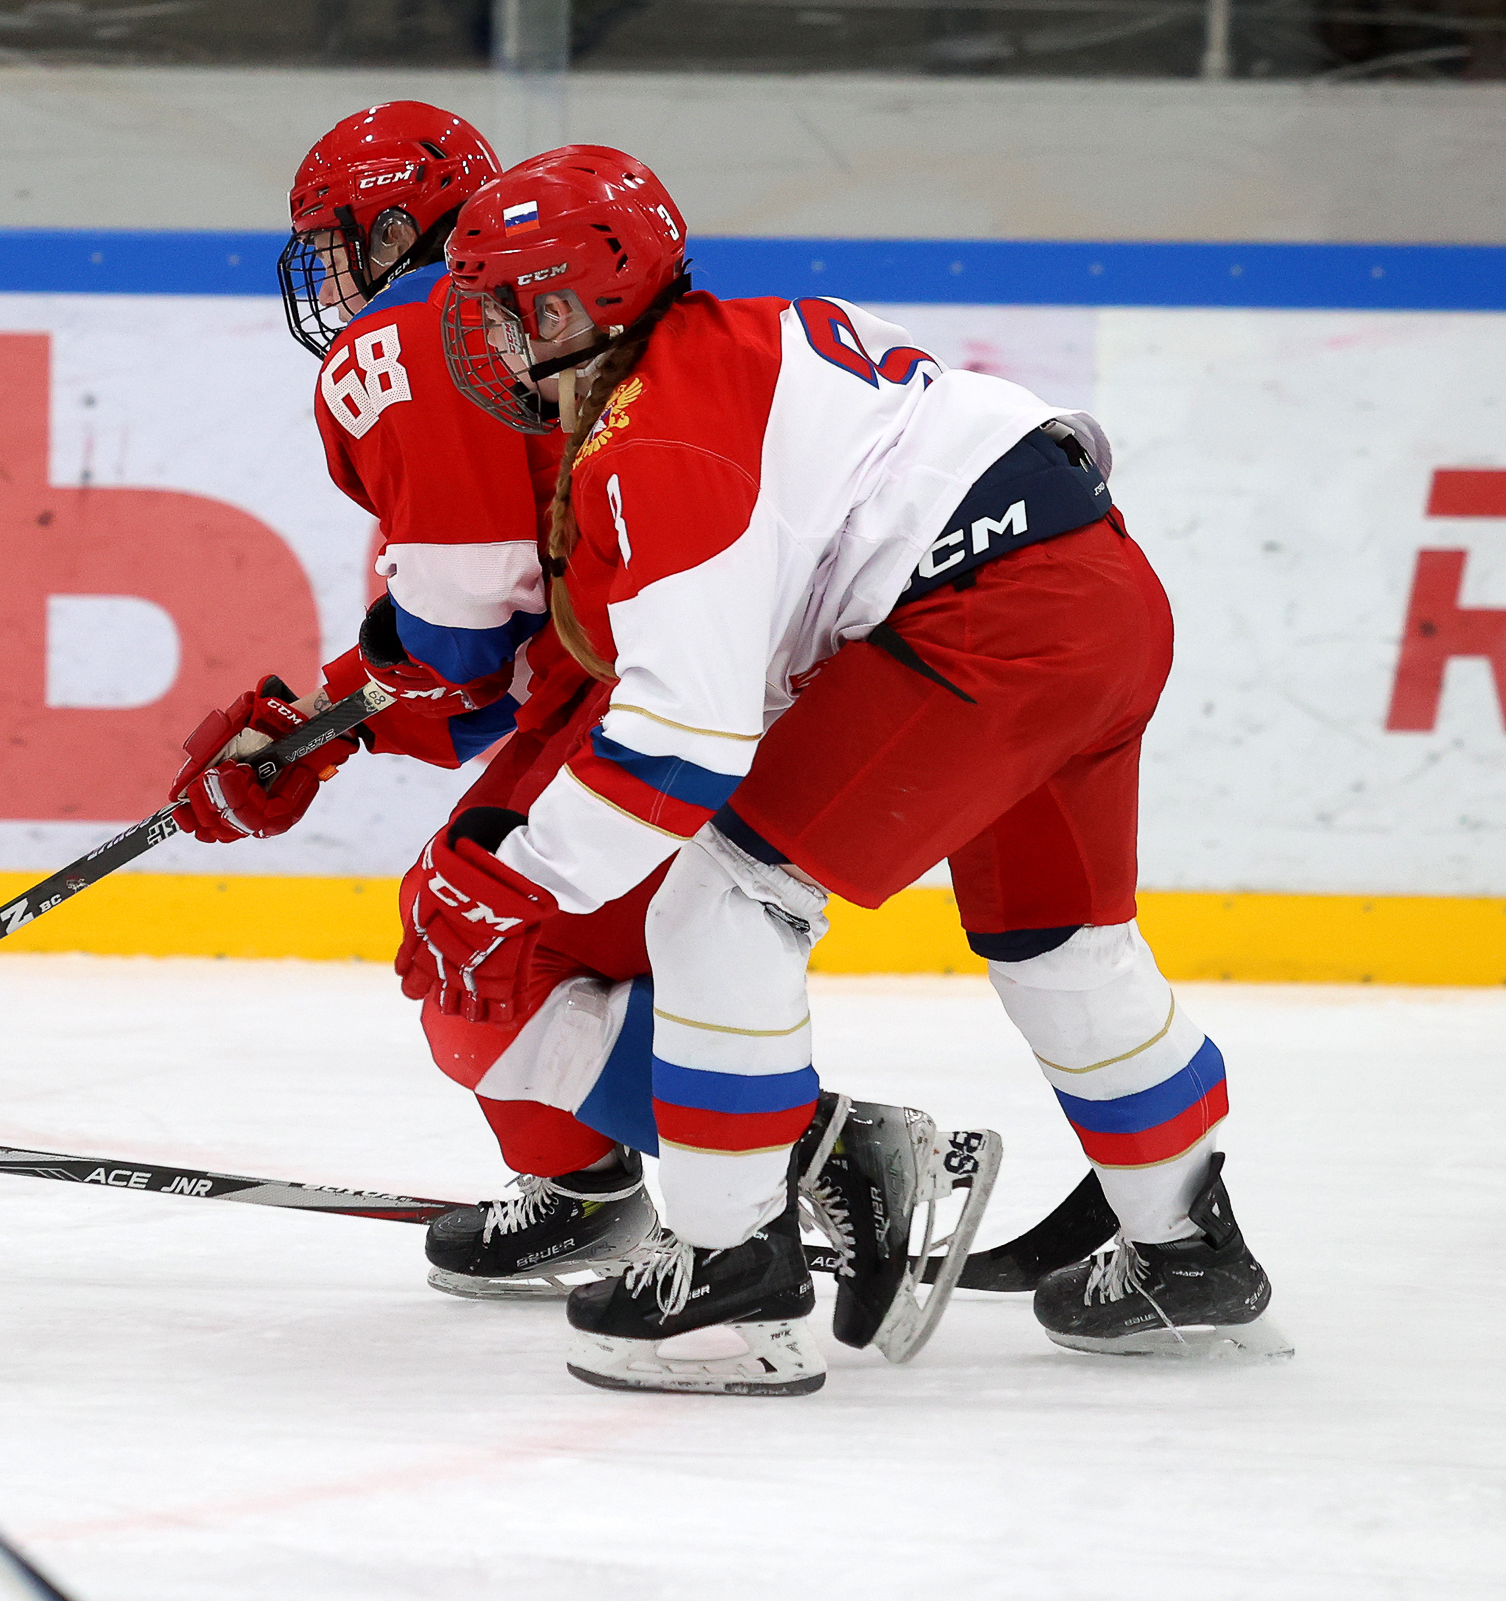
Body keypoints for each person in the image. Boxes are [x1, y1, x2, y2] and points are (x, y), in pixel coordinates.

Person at [395, 144, 1287, 1395]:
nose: (481, 339)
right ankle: (1185, 1253)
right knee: (1062, 943)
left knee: (722, 901)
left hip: (982, 625)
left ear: (566, 307)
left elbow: (684, 737)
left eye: (501, 309)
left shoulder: (654, 441)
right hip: (1100, 593)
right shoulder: (753, 332)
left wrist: (521, 878)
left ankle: (729, 1286)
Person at [166, 106, 665, 1301]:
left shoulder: (407, 334)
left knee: (472, 937)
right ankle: (602, 1185)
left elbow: (462, 643)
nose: (330, 280)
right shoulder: (542, 319)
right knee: (592, 942)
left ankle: (808, 1152)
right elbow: (493, 662)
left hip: (655, 692)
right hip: (704, 663)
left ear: (397, 229)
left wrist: (316, 731)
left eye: (336, 244)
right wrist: (318, 725)